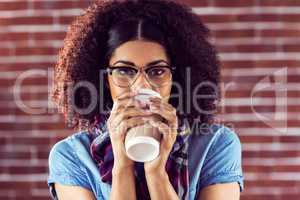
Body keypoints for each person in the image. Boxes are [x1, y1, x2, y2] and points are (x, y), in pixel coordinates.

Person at [47, 0, 244, 199]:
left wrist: (156, 172)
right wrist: (122, 165)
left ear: (176, 78)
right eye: (124, 70)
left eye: (157, 71)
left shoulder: (217, 145)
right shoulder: (71, 156)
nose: (141, 86)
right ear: (106, 79)